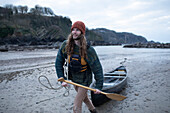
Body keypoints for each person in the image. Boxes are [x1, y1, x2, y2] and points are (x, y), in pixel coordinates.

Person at [55, 21, 103, 113]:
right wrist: (61, 78)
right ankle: (93, 111)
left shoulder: (89, 50)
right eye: (73, 30)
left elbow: (97, 69)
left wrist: (99, 86)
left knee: (76, 107)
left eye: (77, 30)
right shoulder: (66, 45)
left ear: (82, 33)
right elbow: (58, 62)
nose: (74, 32)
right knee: (85, 99)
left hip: (85, 81)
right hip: (74, 80)